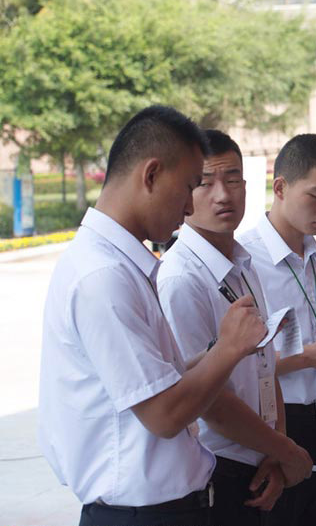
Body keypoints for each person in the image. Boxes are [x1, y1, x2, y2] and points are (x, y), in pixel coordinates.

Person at [39, 106, 269, 526]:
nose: (188, 207)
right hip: (141, 514)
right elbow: (163, 415)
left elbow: (160, 381)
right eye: (188, 187)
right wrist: (229, 349)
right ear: (150, 175)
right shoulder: (103, 277)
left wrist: (219, 349)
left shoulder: (119, 265)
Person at [157, 130, 313, 526]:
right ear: (185, 189)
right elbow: (208, 399)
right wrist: (286, 450)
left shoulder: (242, 265)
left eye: (233, 180)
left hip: (257, 459)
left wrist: (274, 452)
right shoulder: (181, 278)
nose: (223, 195)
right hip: (218, 466)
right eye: (205, 183)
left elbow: (264, 361)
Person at [240, 134, 316, 526]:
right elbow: (234, 367)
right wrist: (309, 357)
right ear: (280, 187)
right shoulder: (245, 262)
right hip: (279, 423)